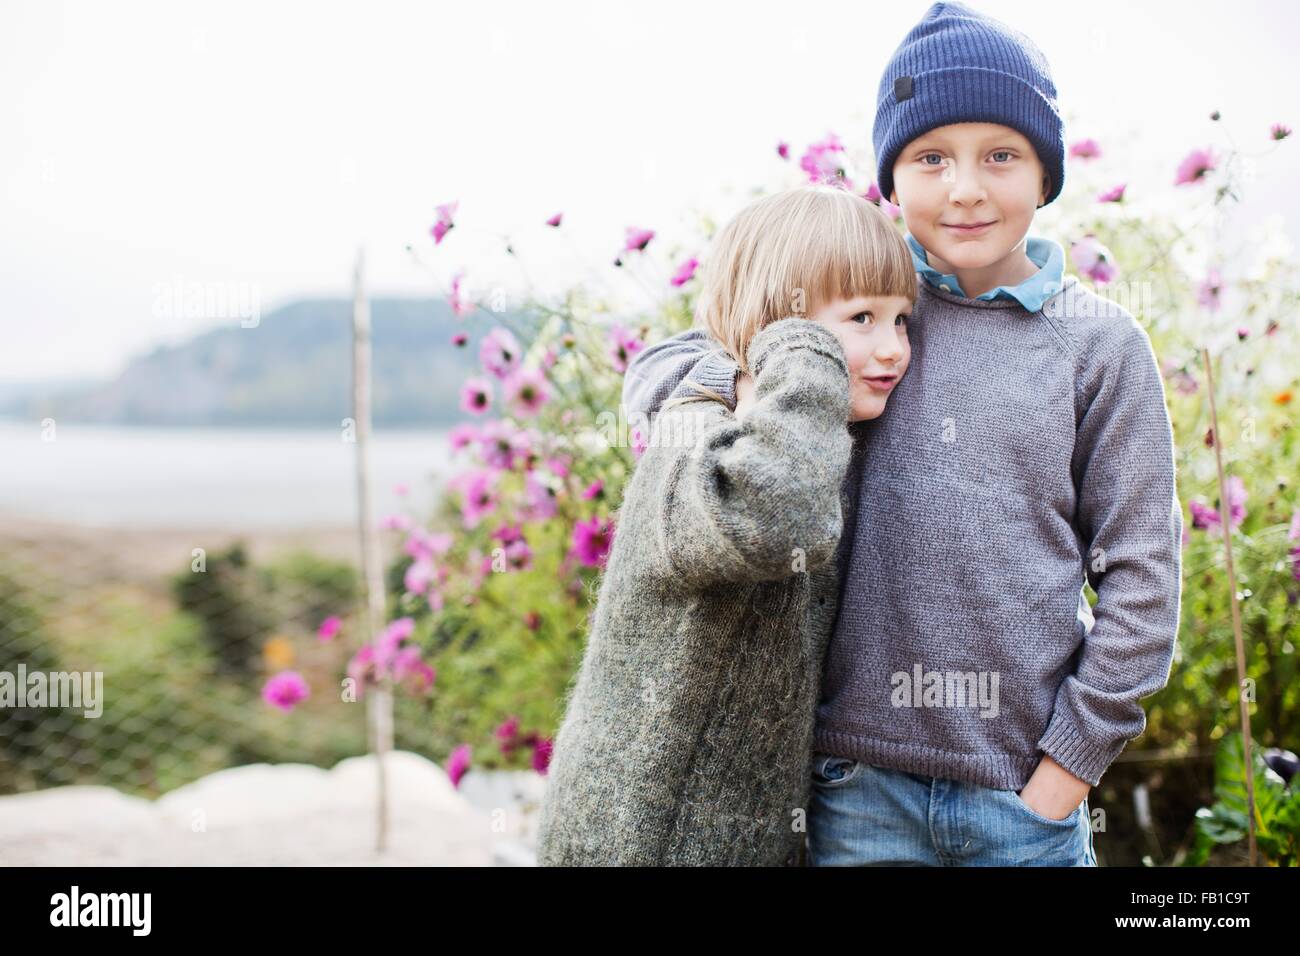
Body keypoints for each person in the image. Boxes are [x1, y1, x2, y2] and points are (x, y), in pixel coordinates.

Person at [622, 2, 1182, 866]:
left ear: (1045, 173)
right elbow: (668, 363)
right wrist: (749, 384)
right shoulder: (869, 305)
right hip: (855, 791)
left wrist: (1065, 772)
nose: (965, 187)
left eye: (1001, 155)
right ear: (893, 177)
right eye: (931, 158)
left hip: (1022, 800)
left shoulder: (1098, 347)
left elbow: (1142, 577)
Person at [535, 185, 915, 865]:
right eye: (862, 317)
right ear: (780, 330)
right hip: (640, 840)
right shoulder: (695, 447)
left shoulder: (802, 437)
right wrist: (804, 351)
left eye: (902, 321)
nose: (892, 349)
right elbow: (775, 522)